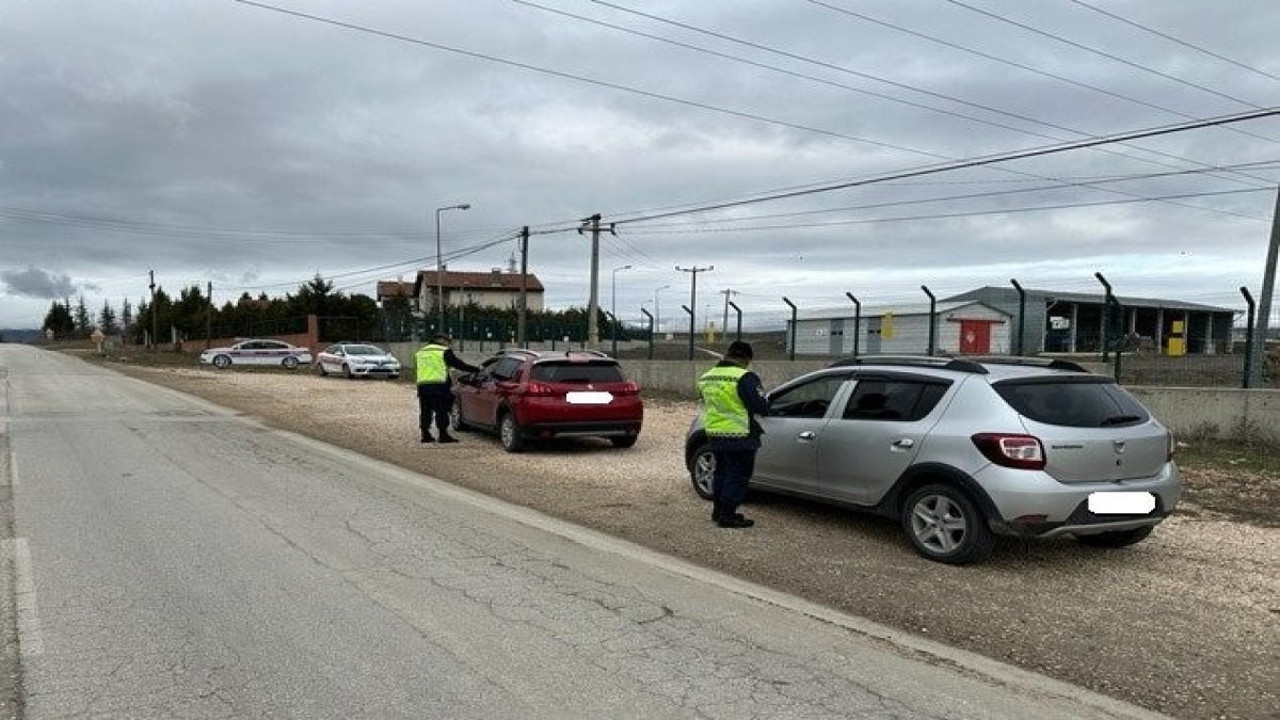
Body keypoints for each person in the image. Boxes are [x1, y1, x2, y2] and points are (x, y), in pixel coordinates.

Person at [697, 340, 769, 528]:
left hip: (714, 432)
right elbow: (760, 405)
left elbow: (708, 401)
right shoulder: (744, 377)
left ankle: (718, 511)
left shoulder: (707, 377)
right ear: (746, 358)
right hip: (740, 434)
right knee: (738, 475)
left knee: (721, 472)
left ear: (727, 355)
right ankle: (728, 515)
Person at [414, 334, 481, 444]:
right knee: (441, 411)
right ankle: (443, 435)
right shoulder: (444, 351)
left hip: (423, 386)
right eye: (448, 342)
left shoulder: (420, 352)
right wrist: (475, 369)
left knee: (425, 411)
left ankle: (425, 434)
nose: (449, 344)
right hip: (439, 385)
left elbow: (417, 369)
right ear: (441, 341)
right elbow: (458, 364)